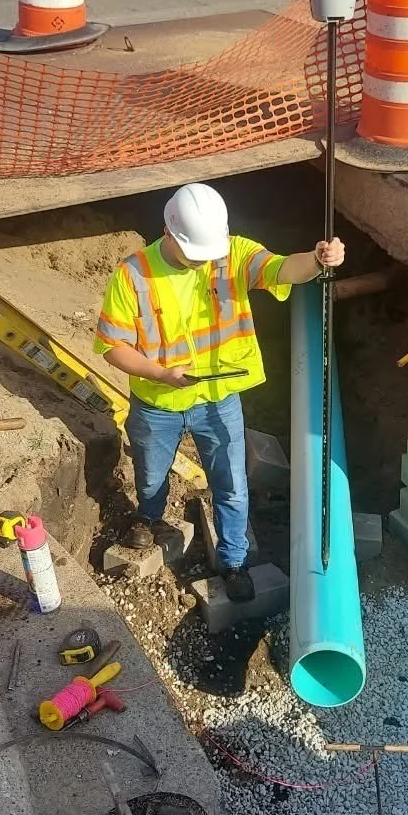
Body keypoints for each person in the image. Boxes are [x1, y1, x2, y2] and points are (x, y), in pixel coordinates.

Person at [94, 183, 345, 603]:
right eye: (195, 253)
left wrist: (318, 260)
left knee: (231, 485)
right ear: (169, 232)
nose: (203, 262)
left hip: (219, 398)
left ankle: (233, 561)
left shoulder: (230, 252)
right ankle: (148, 518)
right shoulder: (133, 273)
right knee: (152, 476)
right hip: (158, 403)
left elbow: (281, 269)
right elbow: (112, 347)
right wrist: (158, 372)